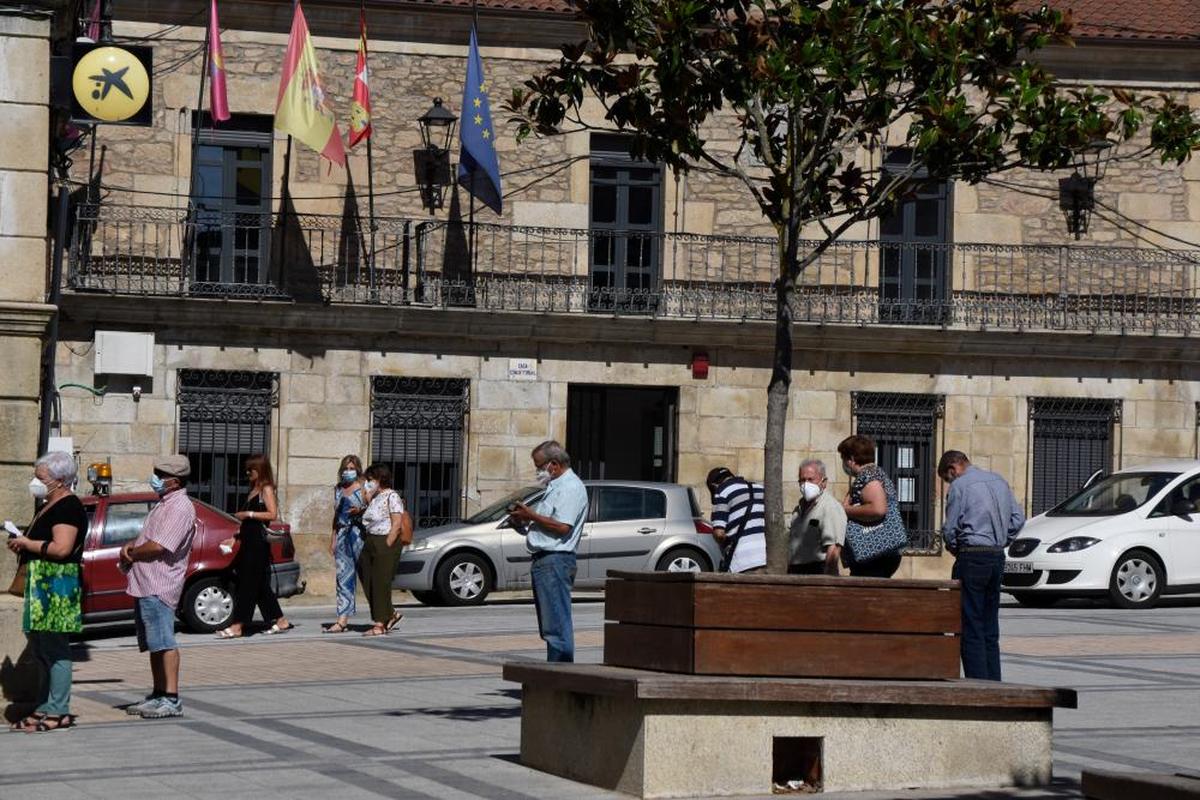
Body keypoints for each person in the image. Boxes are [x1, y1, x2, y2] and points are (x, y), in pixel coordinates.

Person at [6, 452, 88, 732]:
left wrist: (28, 544)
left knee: (56, 650)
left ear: (61, 480)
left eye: (41, 478)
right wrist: (23, 542)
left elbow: (62, 549)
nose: (36, 482)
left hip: (57, 584)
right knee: (41, 649)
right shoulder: (49, 504)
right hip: (42, 582)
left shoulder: (67, 507)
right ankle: (45, 705)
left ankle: (59, 709)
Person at [121, 454, 197, 719]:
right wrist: (133, 546)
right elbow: (150, 539)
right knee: (154, 643)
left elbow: (159, 546)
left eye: (159, 475)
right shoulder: (164, 504)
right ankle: (158, 693)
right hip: (146, 582)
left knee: (164, 642)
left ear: (174, 482)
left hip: (160, 583)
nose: (155, 478)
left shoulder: (180, 508)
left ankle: (171, 698)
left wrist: (132, 553)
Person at [938, 450, 1025, 681]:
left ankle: (977, 683)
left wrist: (953, 545)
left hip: (972, 556)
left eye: (948, 478)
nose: (949, 482)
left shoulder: (960, 486)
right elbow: (1018, 519)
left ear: (952, 469)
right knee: (989, 624)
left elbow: (950, 528)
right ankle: (994, 682)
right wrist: (1003, 539)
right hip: (996, 557)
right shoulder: (999, 480)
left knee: (971, 624)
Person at [508, 441, 588, 662]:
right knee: (550, 623)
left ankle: (560, 676)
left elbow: (562, 527)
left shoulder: (571, 487)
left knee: (556, 624)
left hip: (555, 560)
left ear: (554, 464)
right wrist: (521, 522)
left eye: (539, 466)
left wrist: (531, 515)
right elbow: (546, 526)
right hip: (546, 560)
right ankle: (556, 674)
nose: (538, 472)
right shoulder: (555, 487)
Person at [217, 454, 292, 638]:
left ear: (260, 470)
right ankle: (281, 620)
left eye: (252, 469)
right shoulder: (252, 489)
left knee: (247, 585)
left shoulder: (266, 489)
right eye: (247, 469)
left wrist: (248, 513)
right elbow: (246, 525)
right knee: (259, 586)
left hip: (257, 545)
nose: (248, 472)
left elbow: (272, 514)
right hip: (248, 542)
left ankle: (238, 625)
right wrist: (235, 539)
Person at [837, 435, 905, 578]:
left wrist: (846, 510)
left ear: (851, 459)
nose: (843, 463)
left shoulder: (870, 477)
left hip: (875, 553)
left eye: (843, 458)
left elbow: (878, 509)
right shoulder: (872, 475)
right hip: (878, 553)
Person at [358, 463, 411, 637]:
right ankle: (391, 614)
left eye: (370, 479)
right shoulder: (375, 497)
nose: (368, 482)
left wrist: (388, 542)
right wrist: (368, 492)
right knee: (368, 580)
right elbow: (366, 507)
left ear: (380, 479)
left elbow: (396, 522)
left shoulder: (392, 496)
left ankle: (379, 624)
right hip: (371, 540)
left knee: (380, 583)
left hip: (385, 541)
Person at [324, 455, 366, 634]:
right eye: (346, 468)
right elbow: (336, 516)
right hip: (342, 535)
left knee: (369, 578)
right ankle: (342, 620)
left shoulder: (364, 488)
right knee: (343, 579)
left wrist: (361, 510)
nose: (349, 471)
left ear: (358, 469)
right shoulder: (338, 490)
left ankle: (386, 614)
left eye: (352, 468)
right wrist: (333, 538)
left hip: (359, 535)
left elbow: (374, 509)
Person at [788, 459, 847, 575]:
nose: (806, 484)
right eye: (802, 480)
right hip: (796, 570)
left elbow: (834, 548)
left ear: (823, 482)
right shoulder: (798, 509)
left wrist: (826, 581)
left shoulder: (830, 507)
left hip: (817, 570)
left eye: (810, 479)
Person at [706, 467, 767, 574]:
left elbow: (719, 533)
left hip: (743, 560)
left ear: (714, 486)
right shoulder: (760, 488)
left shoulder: (722, 491)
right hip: (766, 557)